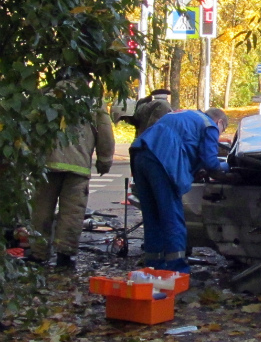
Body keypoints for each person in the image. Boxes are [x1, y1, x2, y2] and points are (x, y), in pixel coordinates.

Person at [130, 108, 231, 273]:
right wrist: (227, 169)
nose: (218, 135)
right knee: (172, 217)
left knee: (152, 217)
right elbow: (211, 163)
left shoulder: (185, 116)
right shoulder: (209, 125)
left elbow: (186, 146)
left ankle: (153, 267)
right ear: (219, 122)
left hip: (140, 154)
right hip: (162, 161)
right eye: (222, 131)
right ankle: (177, 269)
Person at [29, 86, 115, 268]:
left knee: (41, 209)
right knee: (72, 212)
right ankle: (65, 256)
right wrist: (104, 161)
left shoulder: (46, 95)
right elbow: (105, 132)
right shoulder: (93, 100)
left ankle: (38, 253)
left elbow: (31, 126)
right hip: (78, 166)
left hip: (47, 163)